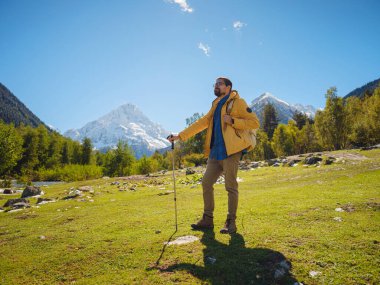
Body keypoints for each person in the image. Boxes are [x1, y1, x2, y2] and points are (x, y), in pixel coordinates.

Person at [168, 77, 260, 234]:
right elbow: (202, 123)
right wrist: (180, 136)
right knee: (206, 183)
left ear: (228, 87)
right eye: (215, 84)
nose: (216, 86)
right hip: (215, 152)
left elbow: (254, 122)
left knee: (230, 186)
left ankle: (231, 222)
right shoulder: (216, 105)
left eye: (219, 84)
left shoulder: (238, 102)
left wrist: (233, 120)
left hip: (231, 151)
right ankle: (207, 219)